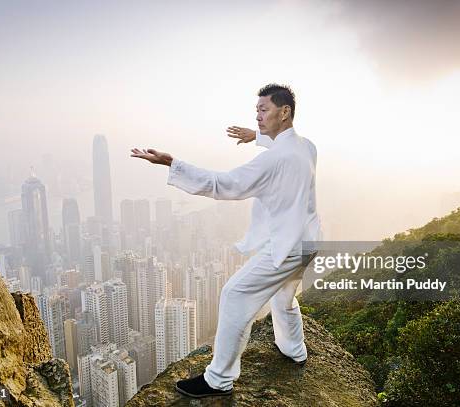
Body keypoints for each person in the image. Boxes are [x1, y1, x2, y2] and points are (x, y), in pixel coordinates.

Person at [130, 83, 322, 398]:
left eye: (264, 110)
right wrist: (257, 136)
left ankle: (218, 379)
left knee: (234, 295)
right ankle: (295, 350)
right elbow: (283, 148)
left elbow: (224, 184)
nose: (257, 116)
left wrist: (170, 162)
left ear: (284, 112)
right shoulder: (307, 146)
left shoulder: (274, 160)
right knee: (284, 297)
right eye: (256, 110)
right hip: (309, 240)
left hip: (286, 247)